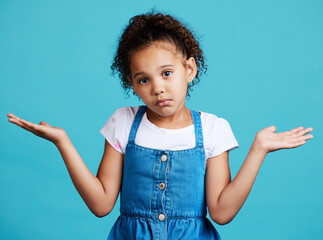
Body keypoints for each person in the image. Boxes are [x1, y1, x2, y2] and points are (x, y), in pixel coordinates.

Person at [7, 11, 313, 240]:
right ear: (133, 86)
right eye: (144, 79)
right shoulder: (123, 122)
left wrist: (258, 149)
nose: (158, 88)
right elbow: (101, 204)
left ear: (189, 69)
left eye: (166, 73)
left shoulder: (213, 129)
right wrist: (63, 142)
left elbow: (221, 212)